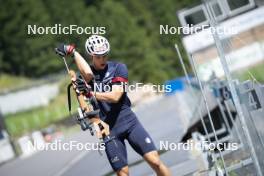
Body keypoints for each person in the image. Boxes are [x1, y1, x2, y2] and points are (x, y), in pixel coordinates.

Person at [55, 35, 171, 176]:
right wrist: (72, 52)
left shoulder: (118, 68)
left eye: (105, 55)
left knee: (155, 161)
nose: (102, 59)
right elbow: (86, 80)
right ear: (92, 56)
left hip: (128, 121)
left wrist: (91, 93)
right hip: (109, 130)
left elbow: (116, 96)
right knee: (123, 173)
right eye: (98, 57)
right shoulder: (87, 78)